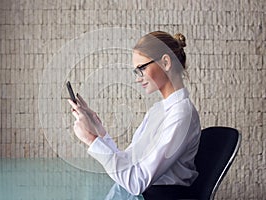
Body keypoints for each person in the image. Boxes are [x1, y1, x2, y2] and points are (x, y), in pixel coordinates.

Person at [68, 31, 201, 199]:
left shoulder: (182, 115)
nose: (138, 79)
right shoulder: (158, 111)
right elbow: (130, 160)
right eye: (136, 72)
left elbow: (136, 182)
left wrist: (90, 139)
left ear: (166, 62)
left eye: (142, 69)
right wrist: (98, 131)